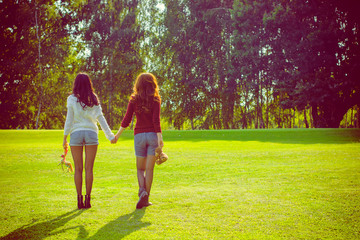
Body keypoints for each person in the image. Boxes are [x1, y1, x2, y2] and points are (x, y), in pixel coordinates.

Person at [63, 73, 116, 209]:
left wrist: (65, 137)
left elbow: (69, 120)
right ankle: (88, 200)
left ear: (76, 84)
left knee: (78, 169)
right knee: (89, 169)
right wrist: (110, 136)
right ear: (89, 84)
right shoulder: (94, 98)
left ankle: (79, 200)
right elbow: (101, 118)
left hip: (76, 134)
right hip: (92, 133)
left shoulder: (71, 99)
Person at [114, 73, 164, 209]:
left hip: (139, 137)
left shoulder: (134, 100)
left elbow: (127, 119)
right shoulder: (155, 99)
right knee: (149, 169)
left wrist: (117, 136)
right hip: (153, 136)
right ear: (152, 84)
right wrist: (160, 139)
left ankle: (142, 193)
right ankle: (145, 197)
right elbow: (156, 121)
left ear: (138, 85)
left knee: (140, 169)